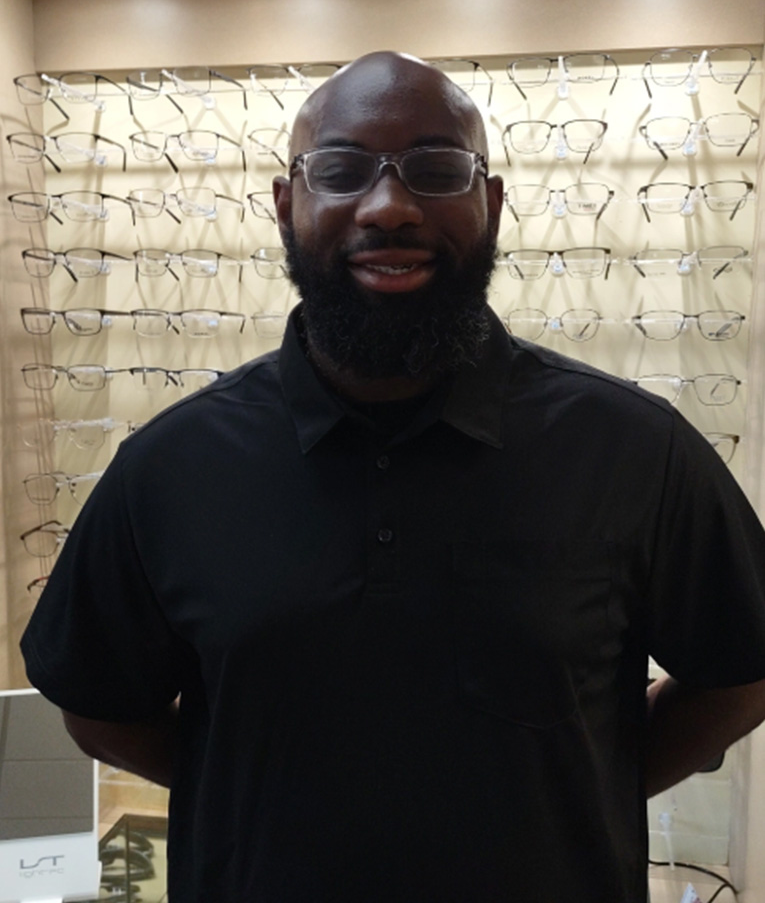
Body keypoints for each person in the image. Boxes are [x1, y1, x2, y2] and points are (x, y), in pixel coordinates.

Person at [20, 51, 765, 903]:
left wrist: (586, 786)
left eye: (435, 169)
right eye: (338, 171)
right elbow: (100, 709)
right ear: (283, 205)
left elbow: (738, 672)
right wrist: (258, 800)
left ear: (488, 204)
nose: (389, 207)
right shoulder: (168, 467)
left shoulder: (635, 451)